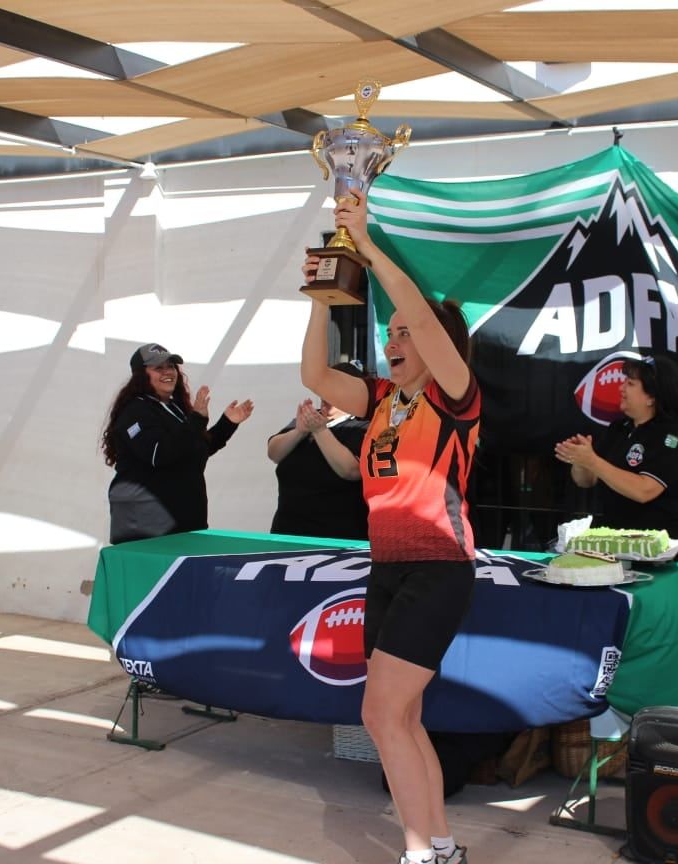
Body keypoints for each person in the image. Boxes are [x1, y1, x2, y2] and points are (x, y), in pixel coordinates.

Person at [302, 189, 480, 864]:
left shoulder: (458, 396)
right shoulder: (380, 398)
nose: (394, 339)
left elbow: (425, 323)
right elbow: (314, 372)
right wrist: (323, 296)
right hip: (389, 568)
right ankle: (441, 846)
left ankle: (419, 853)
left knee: (380, 716)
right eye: (390, 333)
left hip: (440, 570)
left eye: (406, 333)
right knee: (401, 718)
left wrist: (368, 247)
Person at [102, 344, 253, 544]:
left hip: (185, 528)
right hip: (146, 533)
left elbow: (195, 451)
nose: (168, 372)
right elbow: (159, 453)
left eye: (171, 366)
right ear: (141, 375)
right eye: (158, 368)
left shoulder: (174, 408)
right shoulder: (134, 411)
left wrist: (227, 424)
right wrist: (197, 419)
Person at [553, 354, 678, 540]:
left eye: (630, 384)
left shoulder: (672, 436)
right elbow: (586, 481)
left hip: (660, 545)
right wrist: (581, 461)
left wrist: (593, 461)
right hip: (618, 541)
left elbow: (644, 491)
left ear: (651, 397)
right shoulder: (619, 429)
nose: (621, 388)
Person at [267, 361, 369, 540]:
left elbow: (351, 470)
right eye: (324, 388)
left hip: (335, 540)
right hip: (287, 534)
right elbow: (274, 453)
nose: (326, 395)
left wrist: (320, 431)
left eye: (334, 389)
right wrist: (299, 430)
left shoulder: (363, 426)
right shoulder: (311, 417)